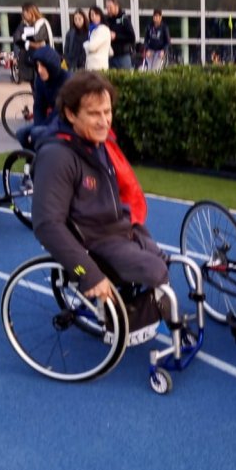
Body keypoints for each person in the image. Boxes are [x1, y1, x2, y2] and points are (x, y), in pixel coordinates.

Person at [32, 71, 168, 303]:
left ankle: (136, 309)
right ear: (70, 114)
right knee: (156, 271)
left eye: (107, 112)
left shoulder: (98, 144)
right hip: (94, 241)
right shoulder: (57, 157)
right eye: (94, 114)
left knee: (164, 261)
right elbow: (47, 224)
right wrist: (88, 274)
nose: (104, 121)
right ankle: (129, 316)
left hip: (118, 228)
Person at [14, 46, 70, 151]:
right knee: (21, 133)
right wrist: (38, 124)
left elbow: (60, 110)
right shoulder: (40, 80)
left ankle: (43, 156)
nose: (39, 70)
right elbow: (38, 106)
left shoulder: (67, 80)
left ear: (51, 66)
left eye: (43, 66)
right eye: (37, 65)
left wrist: (42, 127)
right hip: (51, 120)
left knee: (37, 133)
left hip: (66, 121)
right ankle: (33, 156)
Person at [16, 3, 52, 82]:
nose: (24, 14)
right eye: (23, 12)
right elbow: (17, 39)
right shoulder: (23, 25)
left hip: (41, 61)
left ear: (32, 12)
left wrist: (24, 39)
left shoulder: (42, 23)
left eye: (26, 11)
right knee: (33, 85)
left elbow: (38, 38)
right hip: (28, 61)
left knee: (43, 83)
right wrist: (28, 43)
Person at [104, 0, 136, 70]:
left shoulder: (124, 19)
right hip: (110, 56)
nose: (108, 10)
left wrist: (116, 36)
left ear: (116, 6)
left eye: (110, 7)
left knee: (126, 76)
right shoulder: (107, 20)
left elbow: (132, 37)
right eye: (107, 7)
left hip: (123, 56)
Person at [84, 6, 111, 70]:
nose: (94, 17)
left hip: (98, 65)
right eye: (92, 15)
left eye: (96, 15)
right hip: (92, 64)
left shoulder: (103, 29)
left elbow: (92, 47)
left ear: (101, 16)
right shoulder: (93, 29)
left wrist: (85, 44)